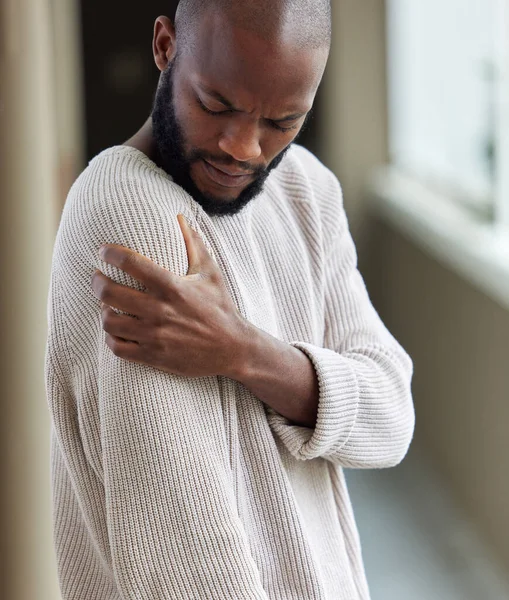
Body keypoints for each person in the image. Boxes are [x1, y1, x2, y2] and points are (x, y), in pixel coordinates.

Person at [44, 1, 415, 598]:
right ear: (165, 46)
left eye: (283, 121)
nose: (243, 148)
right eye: (217, 105)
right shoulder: (129, 214)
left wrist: (243, 351)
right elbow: (187, 566)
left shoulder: (306, 190)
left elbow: (391, 418)